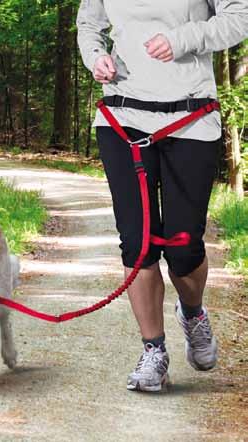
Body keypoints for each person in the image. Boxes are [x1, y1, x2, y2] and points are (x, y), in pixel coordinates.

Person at [77, 0, 248, 392]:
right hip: (122, 117)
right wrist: (96, 57)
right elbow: (89, 24)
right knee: (137, 244)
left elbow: (240, 17)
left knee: (184, 246)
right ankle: (153, 350)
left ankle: (192, 313)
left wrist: (183, 39)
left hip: (191, 116)